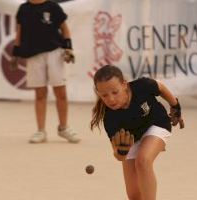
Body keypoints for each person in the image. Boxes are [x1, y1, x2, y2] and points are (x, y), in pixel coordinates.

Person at [90, 65, 184, 200]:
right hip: (132, 138)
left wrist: (175, 106)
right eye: (104, 95)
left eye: (115, 92)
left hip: (155, 123)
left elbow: (161, 87)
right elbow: (118, 155)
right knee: (134, 195)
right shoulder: (110, 118)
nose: (110, 99)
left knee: (143, 160)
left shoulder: (142, 86)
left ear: (124, 85)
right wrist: (122, 152)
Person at [12, 0, 80, 143]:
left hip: (55, 52)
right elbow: (19, 31)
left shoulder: (52, 6)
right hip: (33, 55)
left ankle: (64, 128)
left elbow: (65, 29)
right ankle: (40, 131)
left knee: (61, 92)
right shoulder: (23, 9)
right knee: (40, 94)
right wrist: (15, 53)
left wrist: (68, 48)